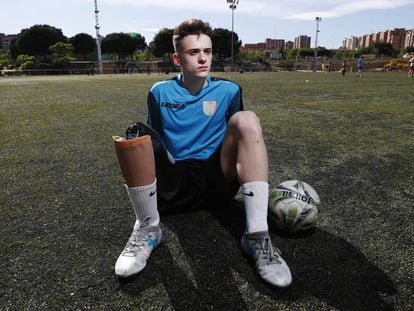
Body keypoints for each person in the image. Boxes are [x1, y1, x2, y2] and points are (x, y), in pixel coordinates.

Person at [111, 19, 292, 288]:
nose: (203, 58)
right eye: (194, 53)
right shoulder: (159, 92)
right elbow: (155, 139)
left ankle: (256, 237)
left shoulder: (229, 90)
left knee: (247, 119)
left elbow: (239, 140)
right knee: (137, 132)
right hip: (175, 184)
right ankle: (148, 228)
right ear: (177, 58)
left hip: (215, 179)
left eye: (206, 51)